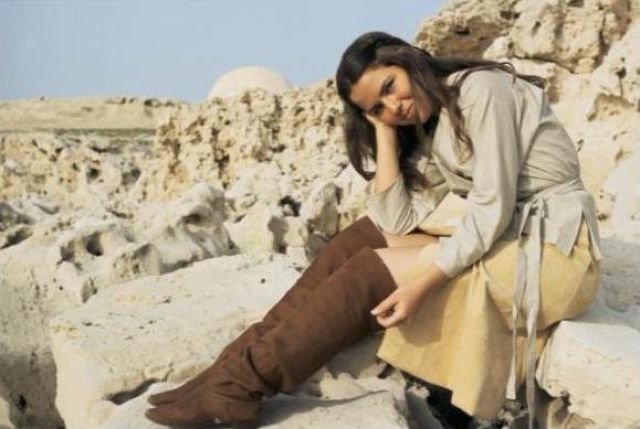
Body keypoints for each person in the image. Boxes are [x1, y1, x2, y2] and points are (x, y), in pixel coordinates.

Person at [144, 31, 602, 429]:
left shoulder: (480, 91)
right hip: (514, 239)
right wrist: (383, 132)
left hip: (555, 255)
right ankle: (227, 370)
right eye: (378, 107)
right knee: (361, 238)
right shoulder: (433, 122)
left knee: (369, 271)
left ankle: (242, 385)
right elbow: (394, 221)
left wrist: (421, 285)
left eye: (390, 87)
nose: (394, 106)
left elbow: (491, 210)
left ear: (408, 60)